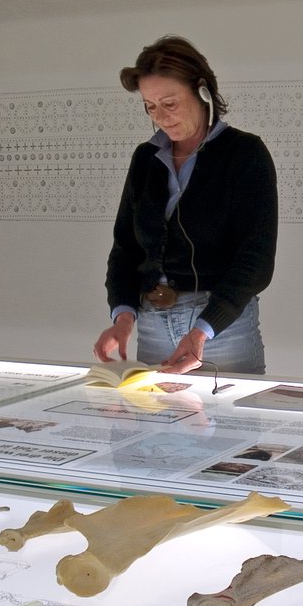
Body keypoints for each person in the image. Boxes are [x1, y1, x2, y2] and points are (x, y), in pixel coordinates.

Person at [94, 36, 277, 375]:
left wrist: (202, 330)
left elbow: (256, 259)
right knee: (157, 425)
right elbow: (125, 248)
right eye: (150, 106)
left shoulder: (245, 154)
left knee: (231, 426)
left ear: (203, 92)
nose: (160, 116)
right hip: (151, 323)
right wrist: (122, 316)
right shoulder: (145, 159)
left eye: (170, 103)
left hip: (222, 327)